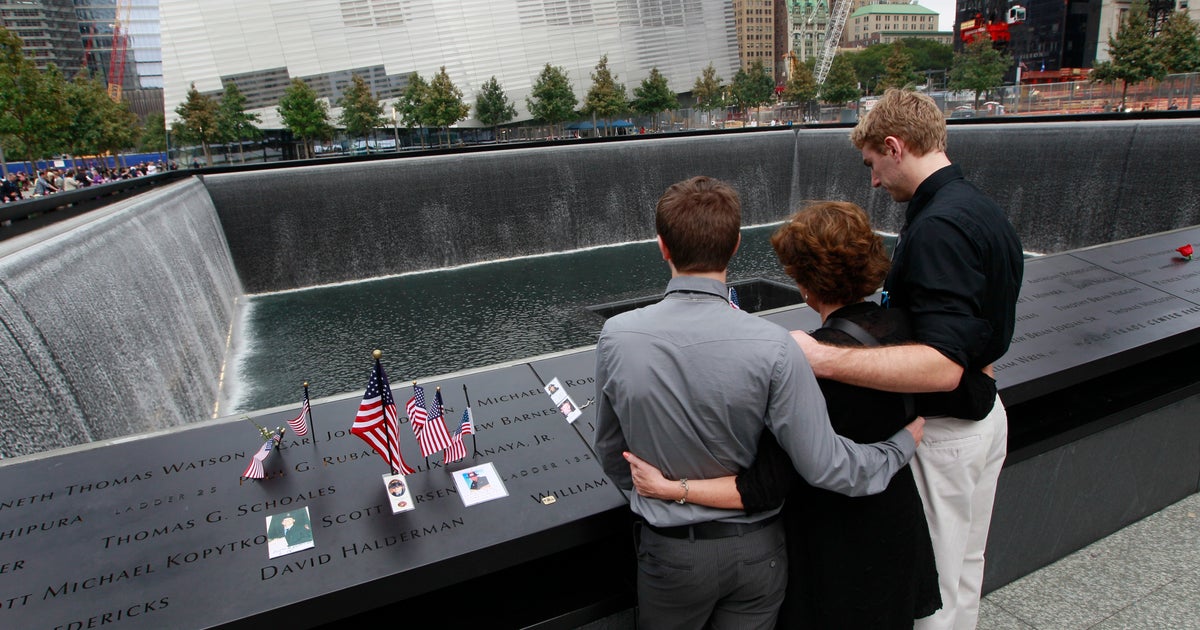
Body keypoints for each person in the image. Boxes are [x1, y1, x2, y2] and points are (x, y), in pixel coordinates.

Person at [593, 175, 924, 630]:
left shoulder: (617, 336)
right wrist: (900, 446)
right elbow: (826, 465)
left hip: (671, 552)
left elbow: (611, 451)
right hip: (758, 552)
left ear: (662, 246)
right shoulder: (777, 346)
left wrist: (659, 498)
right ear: (734, 246)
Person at [793, 88, 1024, 630]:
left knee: (932, 595)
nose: (874, 181)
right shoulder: (979, 208)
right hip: (985, 415)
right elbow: (981, 326)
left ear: (895, 147)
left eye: (872, 163)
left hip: (945, 435)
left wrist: (820, 358)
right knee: (964, 574)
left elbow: (942, 366)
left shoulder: (938, 228)